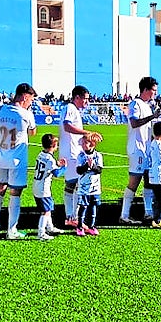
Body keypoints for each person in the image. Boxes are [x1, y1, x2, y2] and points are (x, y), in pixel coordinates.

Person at [0, 83, 37, 238]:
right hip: (17, 159)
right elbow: (33, 133)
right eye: (31, 99)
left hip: (0, 156)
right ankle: (12, 230)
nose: (31, 103)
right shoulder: (26, 114)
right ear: (25, 97)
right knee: (15, 193)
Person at [120, 76, 161, 225]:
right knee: (134, 182)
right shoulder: (135, 104)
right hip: (137, 149)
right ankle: (124, 215)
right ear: (145, 90)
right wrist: (152, 117)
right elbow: (134, 122)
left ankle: (148, 212)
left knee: (148, 181)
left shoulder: (147, 105)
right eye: (153, 90)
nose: (155, 94)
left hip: (145, 150)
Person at [58, 85, 101, 226]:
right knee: (74, 185)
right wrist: (86, 133)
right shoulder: (70, 108)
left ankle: (71, 217)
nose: (87, 102)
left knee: (73, 185)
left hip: (72, 151)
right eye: (85, 99)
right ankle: (71, 217)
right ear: (77, 97)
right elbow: (67, 126)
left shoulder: (73, 109)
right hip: (71, 153)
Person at [33, 133, 67, 241]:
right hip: (43, 189)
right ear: (54, 146)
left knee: (47, 208)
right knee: (46, 211)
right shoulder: (50, 159)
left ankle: (50, 227)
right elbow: (56, 173)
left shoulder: (40, 154)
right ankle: (41, 232)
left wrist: (57, 164)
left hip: (37, 186)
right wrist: (64, 167)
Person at [76, 135, 104, 236]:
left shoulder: (98, 156)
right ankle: (79, 227)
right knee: (83, 206)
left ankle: (91, 226)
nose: (83, 145)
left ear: (92, 144)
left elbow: (99, 170)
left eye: (85, 143)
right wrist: (86, 166)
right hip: (84, 187)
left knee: (93, 207)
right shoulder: (81, 156)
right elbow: (78, 170)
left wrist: (93, 166)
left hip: (95, 188)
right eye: (82, 143)